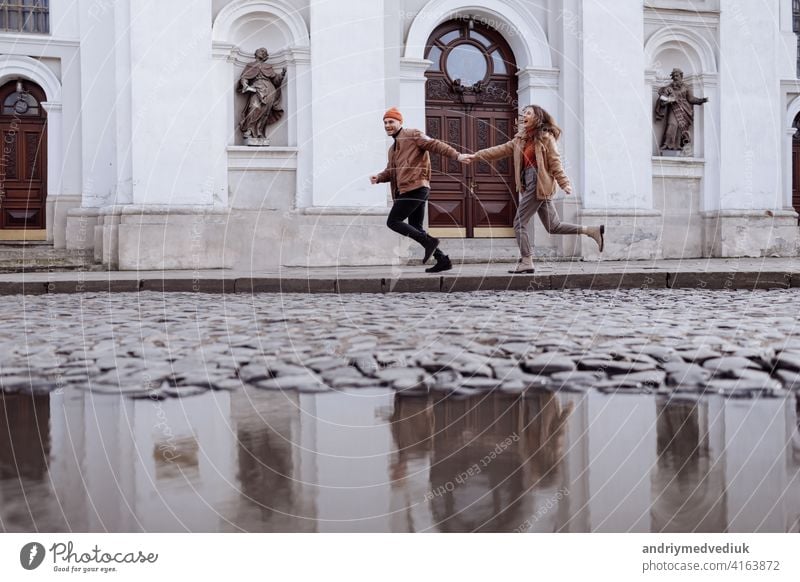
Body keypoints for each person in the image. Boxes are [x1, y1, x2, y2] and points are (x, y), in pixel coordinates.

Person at [466, 105, 604, 274]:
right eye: (524, 113)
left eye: (528, 113)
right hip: (531, 182)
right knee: (554, 226)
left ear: (537, 117)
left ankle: (526, 261)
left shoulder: (546, 137)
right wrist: (476, 156)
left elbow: (555, 162)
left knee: (518, 222)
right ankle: (591, 230)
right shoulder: (520, 139)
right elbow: (500, 150)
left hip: (538, 181)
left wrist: (564, 183)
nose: (524, 115)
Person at [370, 107, 470, 273]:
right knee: (416, 226)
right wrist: (379, 177)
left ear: (400, 122)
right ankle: (443, 260)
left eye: (391, 121)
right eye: (385, 122)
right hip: (409, 189)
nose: (388, 125)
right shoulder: (392, 149)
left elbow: (435, 144)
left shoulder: (412, 135)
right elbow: (391, 171)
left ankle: (430, 242)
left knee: (393, 221)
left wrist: (457, 155)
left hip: (416, 187)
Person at [655, 68, 708, 152]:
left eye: (677, 75)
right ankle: (667, 144)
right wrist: (669, 99)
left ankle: (678, 145)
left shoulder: (686, 87)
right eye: (674, 76)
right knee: (672, 124)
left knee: (681, 127)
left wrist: (700, 100)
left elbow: (691, 99)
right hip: (674, 109)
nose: (675, 77)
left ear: (681, 76)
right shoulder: (669, 88)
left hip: (685, 110)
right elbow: (662, 97)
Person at [238, 48, 286, 140]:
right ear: (256, 53)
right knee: (254, 107)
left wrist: (282, 75)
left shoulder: (268, 67)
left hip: (269, 91)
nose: (263, 52)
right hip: (256, 88)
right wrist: (245, 84)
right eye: (261, 51)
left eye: (264, 52)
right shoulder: (250, 65)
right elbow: (244, 77)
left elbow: (276, 80)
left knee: (265, 112)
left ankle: (259, 131)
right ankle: (249, 129)